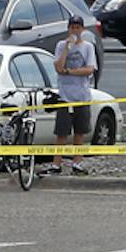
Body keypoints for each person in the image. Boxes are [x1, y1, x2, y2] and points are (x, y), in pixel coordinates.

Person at [48, 15, 98, 175]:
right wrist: (67, 49)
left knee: (80, 131)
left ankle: (77, 162)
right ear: (68, 29)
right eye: (72, 27)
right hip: (65, 96)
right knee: (61, 132)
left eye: (78, 28)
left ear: (82, 29)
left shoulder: (88, 47)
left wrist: (70, 71)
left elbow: (89, 69)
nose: (75, 30)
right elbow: (58, 67)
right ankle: (57, 163)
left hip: (81, 96)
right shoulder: (61, 45)